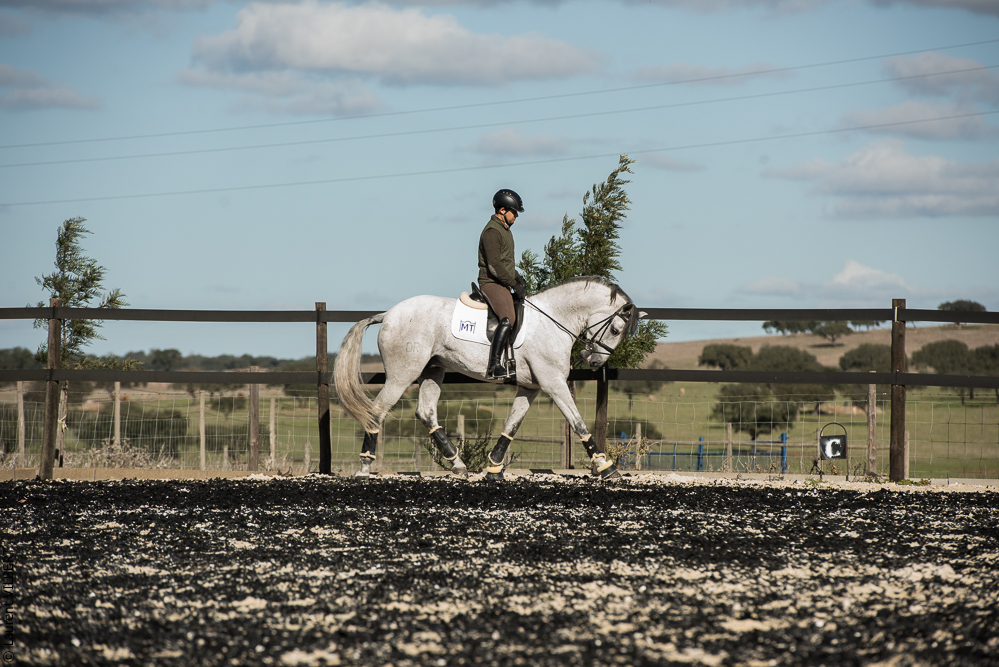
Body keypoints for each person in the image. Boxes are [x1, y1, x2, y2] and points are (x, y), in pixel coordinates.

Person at [478, 189, 528, 379]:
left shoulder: (505, 231)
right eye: (513, 212)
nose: (516, 216)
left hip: (502, 281)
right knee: (508, 318)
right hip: (491, 283)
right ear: (501, 210)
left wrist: (517, 277)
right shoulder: (492, 231)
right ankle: (494, 365)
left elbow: (506, 263)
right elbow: (494, 265)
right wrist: (512, 283)